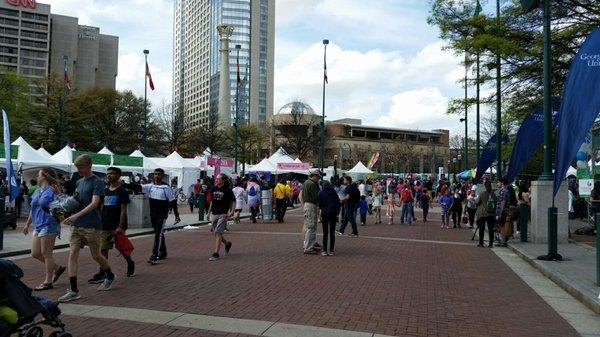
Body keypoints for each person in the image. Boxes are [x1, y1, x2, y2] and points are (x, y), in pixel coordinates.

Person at [59, 155, 115, 303]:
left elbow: (95, 203)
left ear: (89, 165)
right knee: (72, 254)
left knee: (96, 255)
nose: (80, 171)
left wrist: (75, 216)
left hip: (92, 226)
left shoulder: (97, 182)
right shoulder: (78, 181)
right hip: (77, 226)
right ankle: (73, 290)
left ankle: (109, 275)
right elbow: (76, 200)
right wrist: (65, 209)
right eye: (78, 168)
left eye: (81, 168)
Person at [88, 167, 134, 284]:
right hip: (104, 224)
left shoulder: (122, 192)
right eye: (108, 174)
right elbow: (100, 206)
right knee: (103, 248)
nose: (109, 176)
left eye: (112, 174)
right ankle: (103, 271)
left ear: (119, 176)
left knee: (121, 248)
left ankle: (130, 262)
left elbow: (123, 210)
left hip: (118, 225)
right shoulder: (104, 190)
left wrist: (120, 227)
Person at [22, 168, 66, 291]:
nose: (37, 177)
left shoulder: (52, 190)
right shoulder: (37, 191)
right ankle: (57, 268)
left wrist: (58, 195)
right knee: (35, 253)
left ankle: (48, 281)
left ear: (45, 177)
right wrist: (27, 224)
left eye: (39, 175)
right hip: (38, 225)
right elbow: (33, 208)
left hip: (49, 224)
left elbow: (61, 204)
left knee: (47, 253)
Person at [141, 168, 175, 264]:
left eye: (159, 174)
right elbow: (139, 187)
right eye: (155, 174)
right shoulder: (150, 187)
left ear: (163, 176)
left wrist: (176, 214)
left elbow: (172, 201)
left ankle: (154, 255)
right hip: (153, 214)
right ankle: (163, 251)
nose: (157, 176)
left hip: (162, 215)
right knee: (158, 232)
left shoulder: (166, 187)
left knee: (157, 234)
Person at [209, 173, 235, 261]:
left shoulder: (227, 190)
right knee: (216, 233)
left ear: (223, 180)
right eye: (216, 179)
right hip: (214, 213)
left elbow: (233, 201)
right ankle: (227, 244)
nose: (216, 180)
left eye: (218, 179)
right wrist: (208, 213)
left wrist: (231, 212)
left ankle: (216, 253)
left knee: (219, 232)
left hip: (223, 214)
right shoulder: (214, 189)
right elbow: (212, 202)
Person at [300, 169, 321, 253]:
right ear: (314, 175)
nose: (319, 178)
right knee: (311, 226)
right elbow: (315, 196)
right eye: (318, 177)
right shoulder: (312, 184)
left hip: (308, 204)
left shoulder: (306, 183)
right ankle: (308, 247)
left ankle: (310, 245)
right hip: (311, 204)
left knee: (311, 226)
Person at [318, 180, 340, 256]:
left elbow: (319, 204)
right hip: (333, 214)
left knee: (325, 233)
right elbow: (338, 203)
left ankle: (324, 250)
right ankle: (331, 250)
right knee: (332, 233)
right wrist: (337, 212)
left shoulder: (321, 192)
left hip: (324, 214)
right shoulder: (334, 192)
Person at [475, 180, 496, 247]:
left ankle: (481, 243)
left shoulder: (482, 193)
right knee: (491, 229)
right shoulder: (493, 194)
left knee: (481, 228)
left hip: (483, 213)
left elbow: (477, 202)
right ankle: (490, 243)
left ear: (485, 186)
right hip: (491, 213)